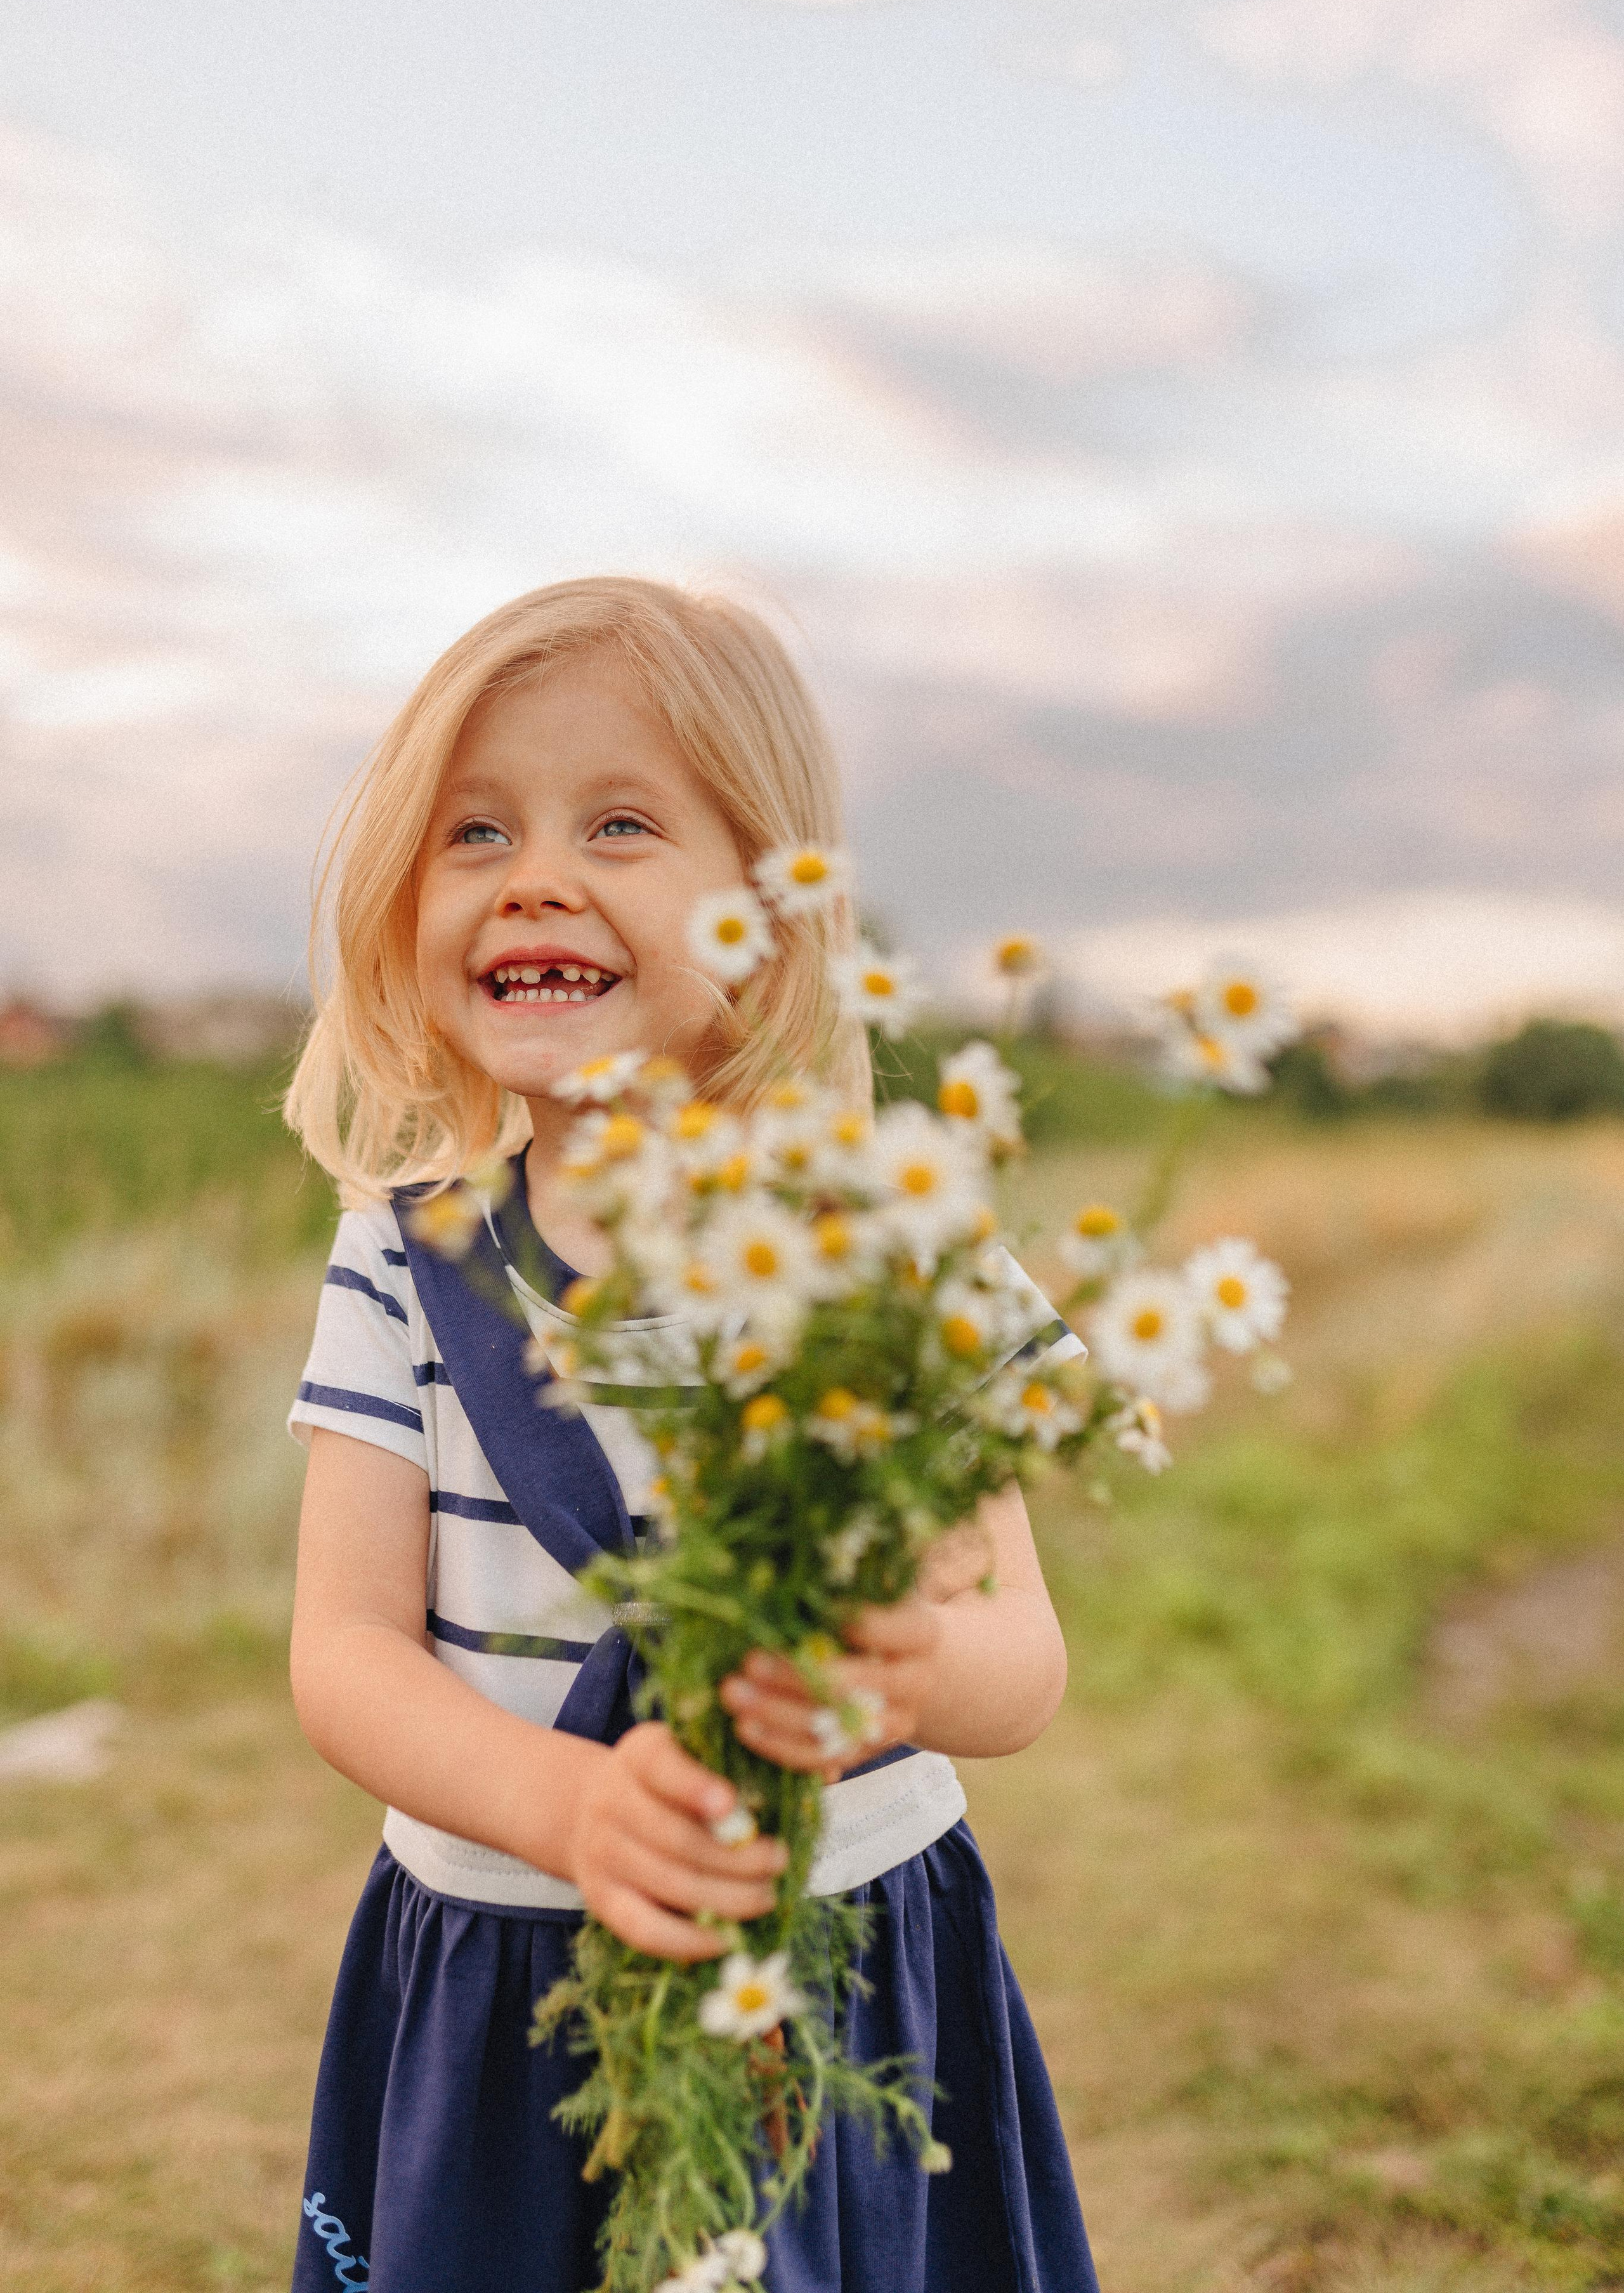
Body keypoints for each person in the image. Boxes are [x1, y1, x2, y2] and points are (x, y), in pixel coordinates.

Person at [282, 577, 1100, 2293]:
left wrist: (904, 1669)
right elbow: (345, 1653)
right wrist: (566, 1810)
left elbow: (1022, 1660)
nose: (538, 875)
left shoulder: (894, 1252)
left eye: (624, 822)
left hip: (834, 1972)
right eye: (477, 829)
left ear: (771, 913)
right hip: (500, 1967)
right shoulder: (400, 1251)